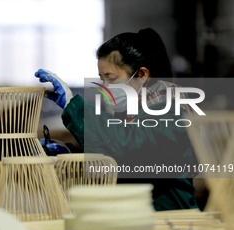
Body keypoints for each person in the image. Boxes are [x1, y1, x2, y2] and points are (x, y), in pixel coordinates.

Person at [34, 28, 199, 211]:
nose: (105, 87)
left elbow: (125, 147)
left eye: (111, 79)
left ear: (142, 75)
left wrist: (72, 106)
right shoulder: (130, 111)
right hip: (137, 214)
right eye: (101, 79)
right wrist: (68, 155)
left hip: (171, 217)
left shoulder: (171, 108)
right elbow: (112, 163)